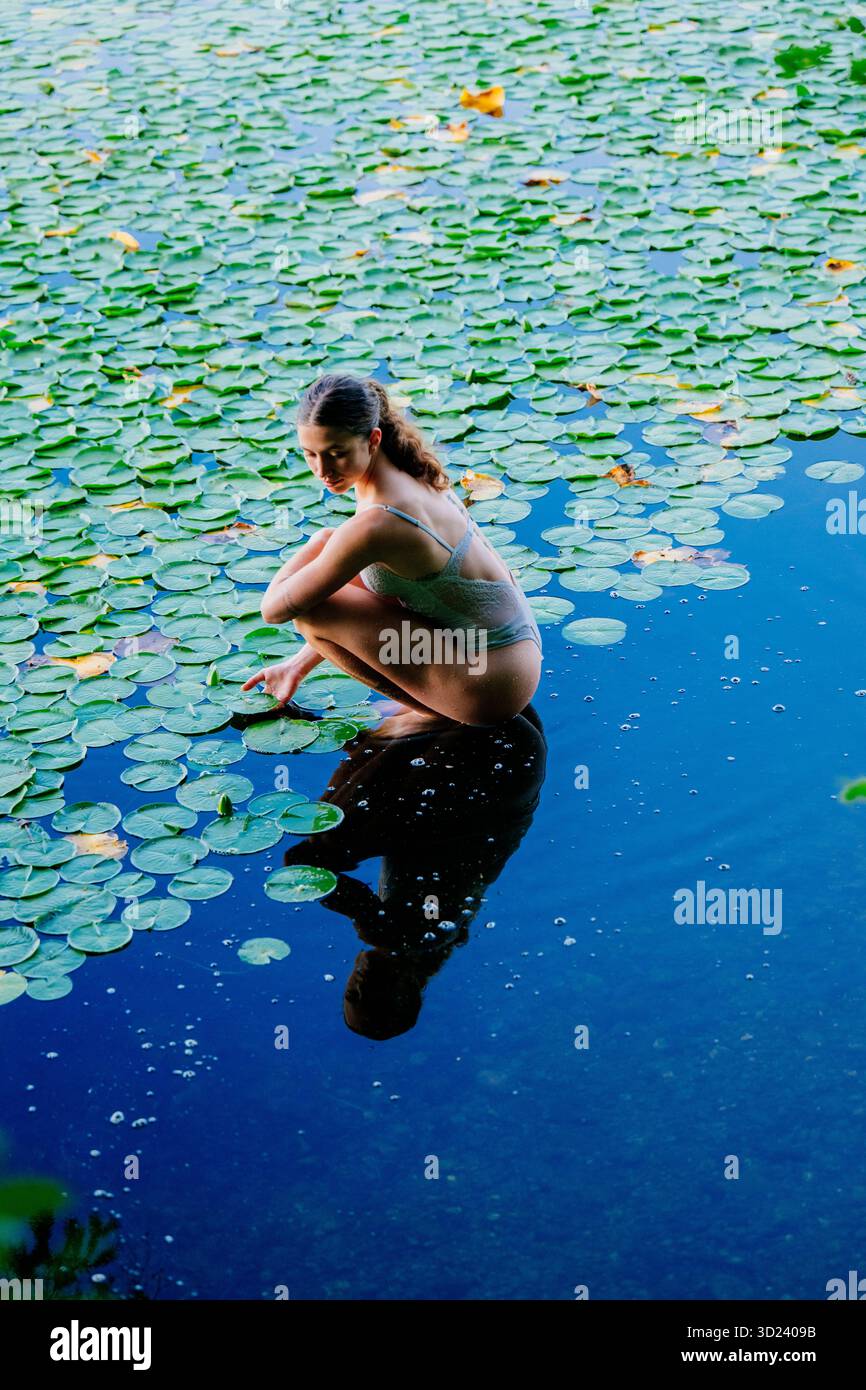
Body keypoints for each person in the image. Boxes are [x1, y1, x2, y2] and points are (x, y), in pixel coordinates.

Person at [242, 374, 542, 738]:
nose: (322, 470)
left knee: (311, 609)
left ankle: (434, 711)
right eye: (310, 454)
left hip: (490, 686)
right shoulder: (408, 471)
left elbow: (274, 609)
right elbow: (386, 593)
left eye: (336, 453)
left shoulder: (378, 523)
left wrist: (319, 541)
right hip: (516, 654)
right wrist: (296, 665)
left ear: (373, 439)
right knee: (343, 570)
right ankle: (438, 699)